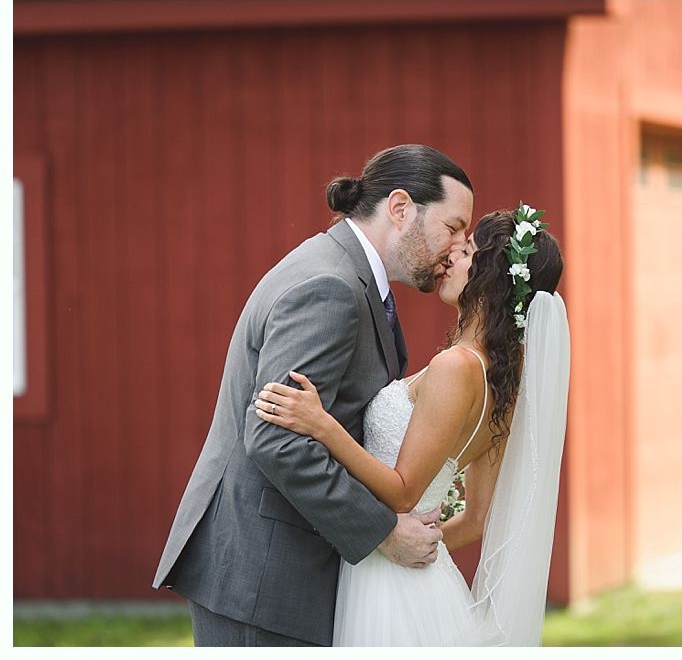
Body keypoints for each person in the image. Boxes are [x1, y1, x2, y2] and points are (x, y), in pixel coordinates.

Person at [152, 144, 475, 646]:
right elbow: (277, 439)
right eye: (453, 228)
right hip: (263, 580)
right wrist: (383, 531)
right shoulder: (331, 286)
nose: (456, 249)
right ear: (400, 208)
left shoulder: (358, 282)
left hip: (291, 577)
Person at [254, 205, 571, 645]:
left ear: (491, 280)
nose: (449, 259)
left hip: (391, 592)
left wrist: (321, 424)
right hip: (424, 581)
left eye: (465, 253)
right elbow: (477, 519)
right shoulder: (502, 382)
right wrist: (415, 542)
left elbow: (403, 490)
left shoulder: (455, 366)